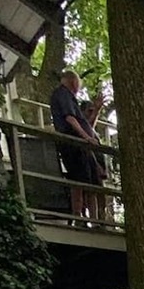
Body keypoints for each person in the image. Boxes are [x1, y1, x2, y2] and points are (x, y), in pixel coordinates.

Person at [49, 70, 101, 222]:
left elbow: (87, 126)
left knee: (91, 180)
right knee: (79, 180)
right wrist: (86, 138)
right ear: (73, 82)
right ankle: (80, 218)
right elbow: (70, 119)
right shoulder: (63, 94)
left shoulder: (70, 98)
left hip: (82, 145)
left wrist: (96, 111)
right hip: (74, 144)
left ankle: (95, 219)